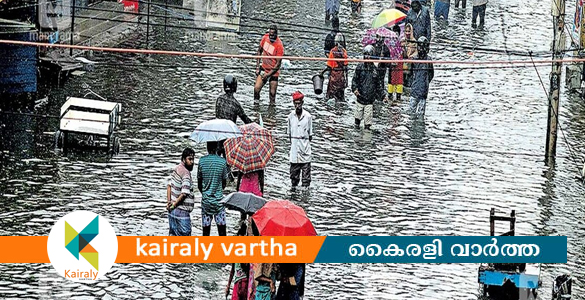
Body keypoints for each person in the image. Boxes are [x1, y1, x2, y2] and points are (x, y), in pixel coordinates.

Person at [197, 141, 229, 236]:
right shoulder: (222, 162)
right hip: (219, 202)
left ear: (207, 148)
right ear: (216, 148)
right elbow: (224, 183)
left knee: (206, 233)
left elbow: (199, 183)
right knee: (222, 233)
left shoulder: (201, 161)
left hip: (206, 202)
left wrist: (205, 193)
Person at [167, 148, 196, 236]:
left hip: (172, 213)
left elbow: (169, 186)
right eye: (189, 159)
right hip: (182, 214)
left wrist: (169, 203)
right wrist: (174, 205)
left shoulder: (177, 169)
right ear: (183, 159)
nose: (192, 162)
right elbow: (184, 194)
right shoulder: (186, 174)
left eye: (193, 159)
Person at [287, 91, 313, 188]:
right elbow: (289, 135)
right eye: (295, 103)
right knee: (294, 179)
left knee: (306, 181)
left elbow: (310, 135)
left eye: (299, 103)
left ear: (302, 103)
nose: (297, 106)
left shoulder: (308, 117)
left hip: (305, 152)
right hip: (294, 153)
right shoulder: (290, 117)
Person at [352, 45, 382, 130]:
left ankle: (366, 138)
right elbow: (354, 80)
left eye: (369, 55)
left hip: (369, 100)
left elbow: (378, 85)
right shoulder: (360, 67)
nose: (367, 57)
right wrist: (355, 89)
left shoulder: (375, 70)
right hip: (360, 98)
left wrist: (383, 95)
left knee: (368, 124)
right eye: (366, 55)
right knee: (357, 120)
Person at [254, 25, 285, 104]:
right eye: (270, 34)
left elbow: (278, 65)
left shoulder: (279, 45)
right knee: (256, 89)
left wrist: (268, 75)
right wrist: (257, 67)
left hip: (273, 71)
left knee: (272, 94)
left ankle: (271, 112)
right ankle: (256, 105)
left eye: (273, 35)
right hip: (264, 68)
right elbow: (259, 52)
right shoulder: (265, 38)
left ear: (276, 34)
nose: (271, 36)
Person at [409, 36, 434, 118]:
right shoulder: (414, 59)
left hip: (423, 91)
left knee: (420, 115)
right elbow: (411, 72)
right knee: (411, 112)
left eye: (422, 46)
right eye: (419, 46)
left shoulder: (428, 60)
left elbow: (431, 74)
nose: (420, 49)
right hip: (414, 89)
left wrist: (425, 82)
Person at [321, 33, 348, 101]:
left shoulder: (332, 51)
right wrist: (346, 80)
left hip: (334, 76)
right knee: (341, 97)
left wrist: (322, 73)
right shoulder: (344, 52)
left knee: (330, 96)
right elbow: (346, 67)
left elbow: (329, 67)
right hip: (341, 77)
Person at [225, 225, 250, 300]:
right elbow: (232, 270)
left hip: (245, 283)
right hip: (237, 283)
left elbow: (249, 269)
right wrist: (228, 286)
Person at [387, 25, 404, 103]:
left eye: (397, 33)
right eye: (394, 33)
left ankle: (398, 98)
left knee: (399, 82)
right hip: (392, 66)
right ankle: (390, 97)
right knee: (391, 82)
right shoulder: (388, 44)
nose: (395, 35)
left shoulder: (402, 43)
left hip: (399, 67)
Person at [402, 23, 418, 88]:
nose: (407, 33)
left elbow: (416, 52)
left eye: (409, 31)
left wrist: (412, 56)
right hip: (403, 66)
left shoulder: (414, 41)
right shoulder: (402, 41)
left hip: (411, 66)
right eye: (406, 31)